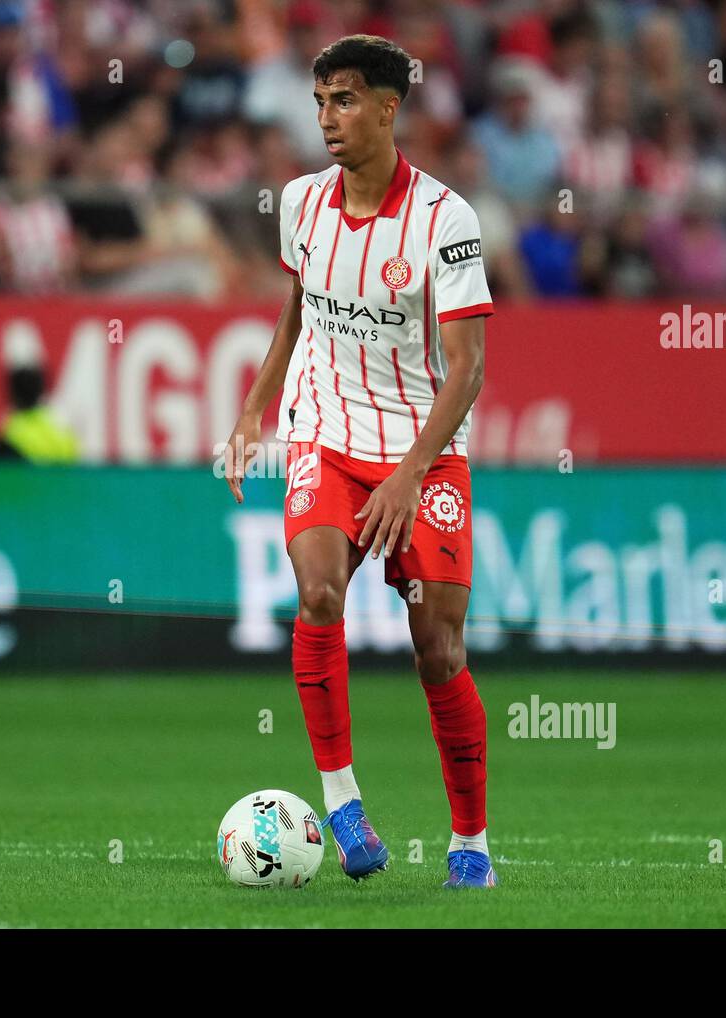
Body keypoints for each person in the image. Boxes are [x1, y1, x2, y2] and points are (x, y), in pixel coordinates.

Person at [222, 35, 497, 890]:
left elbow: (469, 369)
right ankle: (341, 803)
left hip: (425, 454)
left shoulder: (446, 221)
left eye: (343, 99)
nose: (327, 118)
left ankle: (471, 842)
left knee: (438, 650)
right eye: (319, 101)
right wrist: (256, 406)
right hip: (328, 437)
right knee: (317, 593)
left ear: (388, 106)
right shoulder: (301, 201)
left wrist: (412, 474)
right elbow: (298, 309)